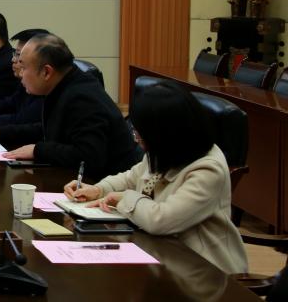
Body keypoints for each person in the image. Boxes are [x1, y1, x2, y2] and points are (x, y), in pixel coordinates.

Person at [63, 80, 247, 275]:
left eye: (140, 135)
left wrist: (125, 198)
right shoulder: (168, 150)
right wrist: (99, 189)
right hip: (160, 252)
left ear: (165, 133)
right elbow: (131, 177)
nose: (137, 140)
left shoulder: (208, 169)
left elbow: (162, 219)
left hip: (202, 269)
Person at [0, 33, 141, 180]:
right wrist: (0, 132)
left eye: (24, 67)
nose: (20, 74)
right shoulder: (63, 85)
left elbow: (88, 157)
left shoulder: (82, 98)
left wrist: (38, 150)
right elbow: (48, 128)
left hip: (109, 189)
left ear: (46, 72)